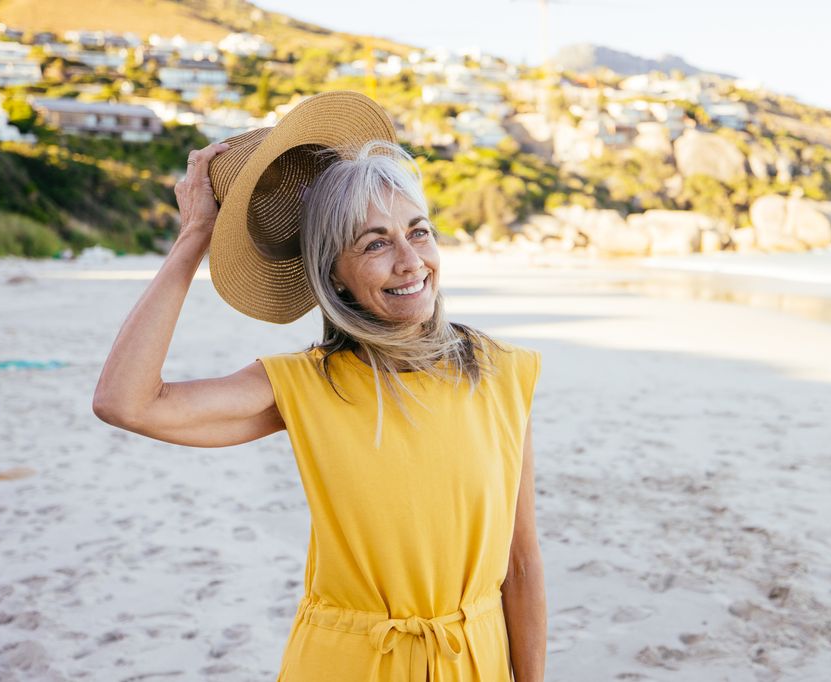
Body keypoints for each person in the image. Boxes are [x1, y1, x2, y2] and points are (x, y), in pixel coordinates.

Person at [92, 92, 546, 681]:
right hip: (348, 664)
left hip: (474, 662)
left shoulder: (501, 371)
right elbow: (125, 402)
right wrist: (191, 241)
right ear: (335, 273)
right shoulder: (303, 386)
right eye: (375, 243)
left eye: (419, 231)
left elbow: (522, 561)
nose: (410, 261)